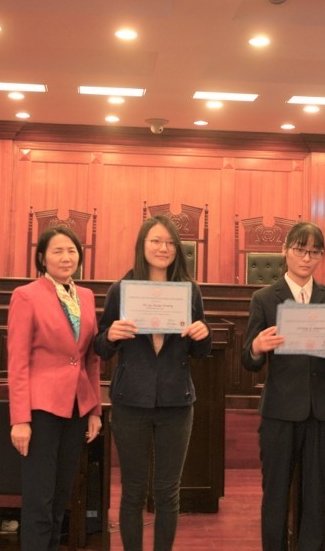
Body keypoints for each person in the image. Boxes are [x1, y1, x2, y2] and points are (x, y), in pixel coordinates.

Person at [94, 215, 212, 551]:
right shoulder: (121, 290)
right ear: (142, 246)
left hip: (176, 401)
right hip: (131, 400)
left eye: (171, 242)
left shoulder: (190, 290)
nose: (164, 248)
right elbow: (99, 346)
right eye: (156, 241)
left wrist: (204, 334)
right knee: (132, 490)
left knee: (167, 491)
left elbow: (201, 350)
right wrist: (111, 335)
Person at [242, 221, 325, 551]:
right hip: (280, 410)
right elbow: (248, 359)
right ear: (285, 251)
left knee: (318, 495)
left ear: (322, 256)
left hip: (323, 411)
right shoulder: (264, 298)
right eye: (300, 250)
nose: (306, 258)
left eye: (314, 252)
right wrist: (257, 347)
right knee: (276, 493)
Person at [8, 226, 102, 551]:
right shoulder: (26, 295)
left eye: (71, 250)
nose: (66, 257)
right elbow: (17, 362)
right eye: (57, 251)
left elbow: (90, 359)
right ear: (42, 258)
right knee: (39, 501)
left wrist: (94, 410)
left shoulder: (86, 296)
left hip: (77, 407)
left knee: (61, 498)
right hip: (41, 410)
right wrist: (20, 419)